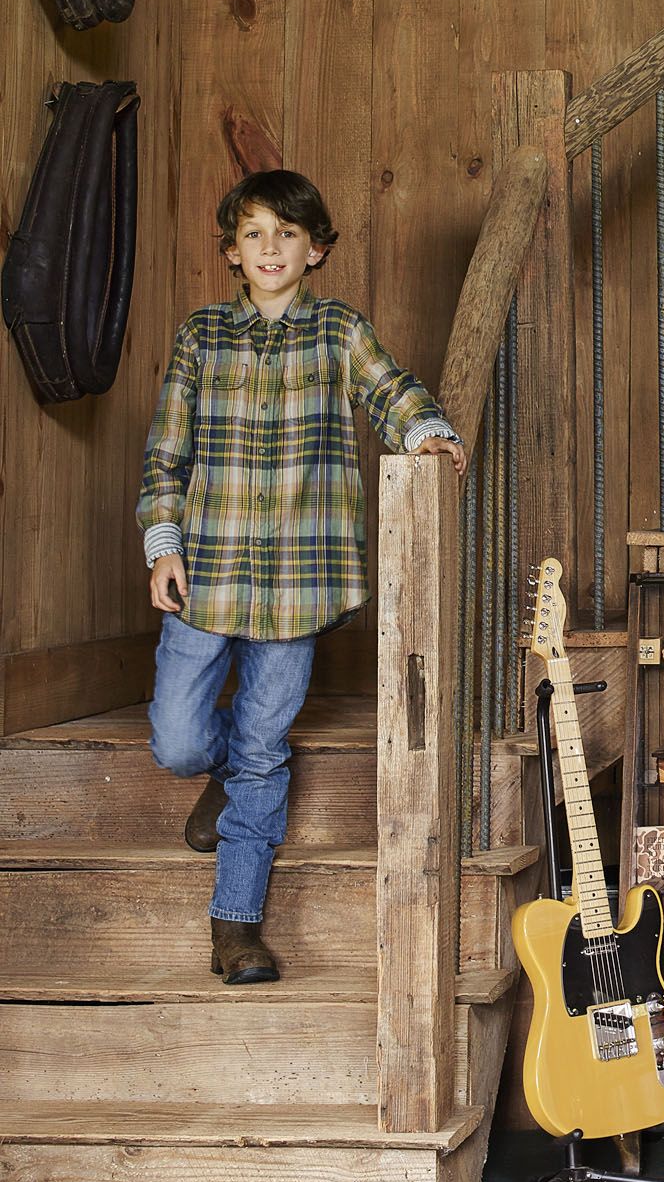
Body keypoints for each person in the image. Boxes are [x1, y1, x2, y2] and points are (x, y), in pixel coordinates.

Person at [137, 169, 465, 985]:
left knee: (261, 750)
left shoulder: (339, 331)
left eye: (287, 233)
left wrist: (426, 433)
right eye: (253, 234)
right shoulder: (200, 335)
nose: (270, 248)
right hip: (205, 573)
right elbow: (166, 453)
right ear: (231, 253)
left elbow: (391, 391)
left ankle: (236, 926)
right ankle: (215, 778)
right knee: (178, 739)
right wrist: (163, 544)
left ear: (315, 248)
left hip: (296, 579)